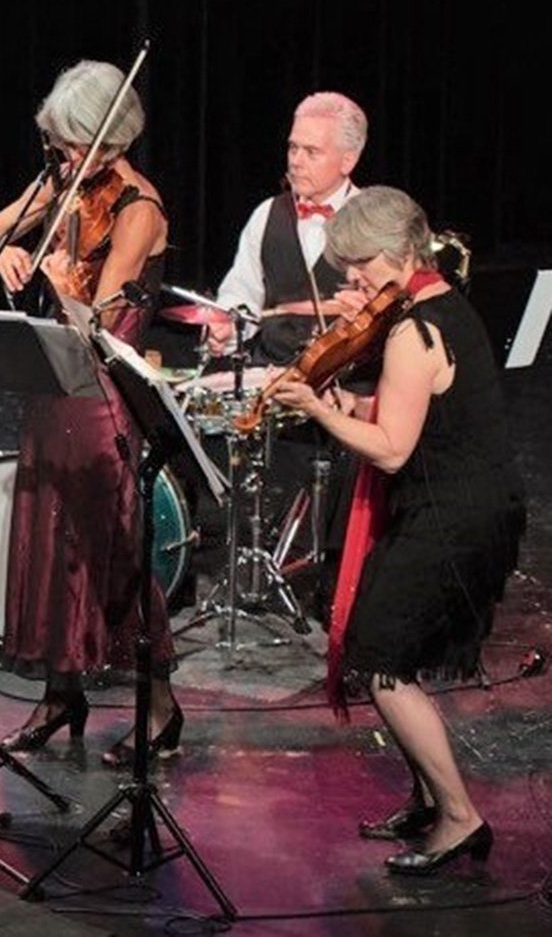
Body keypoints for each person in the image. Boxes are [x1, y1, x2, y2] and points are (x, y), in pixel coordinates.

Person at [272, 186, 524, 875]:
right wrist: (340, 398)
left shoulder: (415, 332)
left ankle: (460, 817)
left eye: (356, 266)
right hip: (455, 502)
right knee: (380, 649)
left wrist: (319, 414)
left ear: (390, 255)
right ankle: (425, 800)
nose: (351, 281)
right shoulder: (439, 303)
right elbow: (404, 410)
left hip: (456, 514)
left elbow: (388, 448)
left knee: (384, 668)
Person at [0, 60, 180, 765]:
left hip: (102, 397)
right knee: (50, 550)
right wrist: (7, 255)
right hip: (50, 384)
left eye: (75, 146)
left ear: (110, 143)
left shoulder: (137, 208)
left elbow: (100, 322)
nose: (63, 159)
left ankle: (163, 708)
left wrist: (57, 276)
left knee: (108, 553)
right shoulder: (60, 182)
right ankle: (62, 694)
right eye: (59, 146)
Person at [210, 92, 370, 363]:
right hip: (269, 376)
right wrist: (226, 330)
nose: (295, 161)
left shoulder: (373, 221)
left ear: (348, 161)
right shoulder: (266, 214)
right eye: (293, 148)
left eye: (311, 152)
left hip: (343, 384)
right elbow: (241, 294)